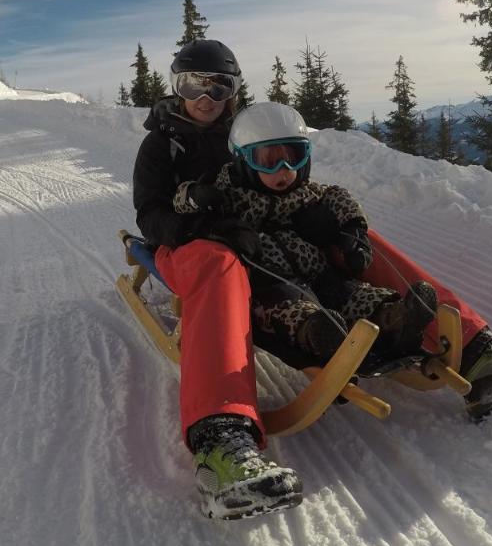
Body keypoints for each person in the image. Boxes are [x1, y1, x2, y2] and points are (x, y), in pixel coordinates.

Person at [132, 40, 492, 521]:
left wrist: (337, 229)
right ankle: (222, 442)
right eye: (192, 84)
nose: (205, 97)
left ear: (234, 91)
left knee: (363, 240)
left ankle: (477, 350)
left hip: (266, 238)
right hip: (189, 244)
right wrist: (207, 226)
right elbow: (150, 215)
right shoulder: (161, 144)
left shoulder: (244, 130)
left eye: (219, 86)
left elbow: (291, 183)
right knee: (220, 264)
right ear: (176, 86)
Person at [173, 101, 439, 368]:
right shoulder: (230, 195)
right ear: (243, 162)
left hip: (318, 274)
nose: (284, 170)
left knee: (351, 293)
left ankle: (395, 318)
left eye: (294, 157)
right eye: (268, 161)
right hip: (269, 284)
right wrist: (195, 196)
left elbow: (337, 196)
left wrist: (353, 229)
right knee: (288, 311)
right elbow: (183, 205)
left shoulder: (305, 192)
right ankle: (317, 335)